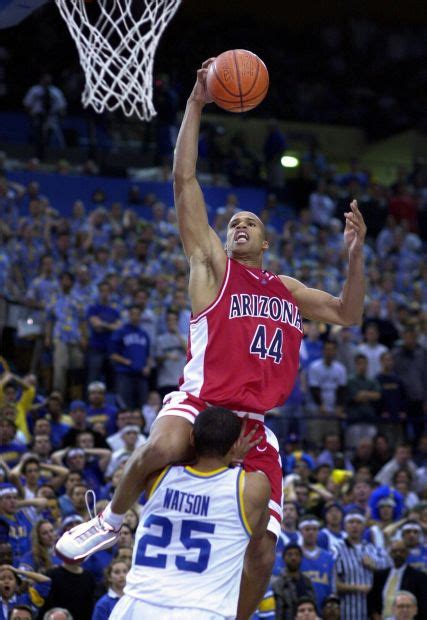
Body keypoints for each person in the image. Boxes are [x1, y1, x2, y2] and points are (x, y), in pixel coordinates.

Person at [56, 58, 367, 618]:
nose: (239, 226)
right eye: (233, 224)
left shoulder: (287, 289)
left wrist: (354, 258)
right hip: (202, 403)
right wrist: (197, 103)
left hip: (253, 422)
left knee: (266, 547)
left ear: (267, 241)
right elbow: (184, 181)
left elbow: (348, 313)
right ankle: (107, 522)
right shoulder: (214, 268)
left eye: (250, 222)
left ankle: (239, 616)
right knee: (164, 447)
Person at [62, 407, 269, 619]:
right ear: (235, 446)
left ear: (191, 438)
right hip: (201, 609)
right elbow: (257, 542)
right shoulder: (253, 488)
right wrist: (235, 456)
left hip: (137, 604)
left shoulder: (157, 476)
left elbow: (143, 458)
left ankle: (108, 522)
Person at [335, 511, 390, 620]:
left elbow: (390, 569)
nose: (355, 525)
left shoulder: (374, 549)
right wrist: (359, 588)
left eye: (358, 522)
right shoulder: (336, 549)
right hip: (348, 610)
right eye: (351, 522)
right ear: (345, 526)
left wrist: (374, 566)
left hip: (372, 611)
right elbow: (334, 584)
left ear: (364, 527)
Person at [368, 539, 427, 620]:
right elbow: (372, 600)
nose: (398, 554)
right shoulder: (380, 576)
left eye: (402, 551)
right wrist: (375, 616)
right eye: (394, 551)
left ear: (407, 553)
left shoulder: (418, 577)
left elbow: (423, 606)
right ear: (390, 553)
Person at [272, 543, 316, 620]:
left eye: (297, 554)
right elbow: (277, 612)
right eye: (290, 554)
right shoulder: (277, 584)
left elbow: (312, 606)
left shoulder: (307, 581)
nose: (293, 557)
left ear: (301, 558)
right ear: (283, 558)